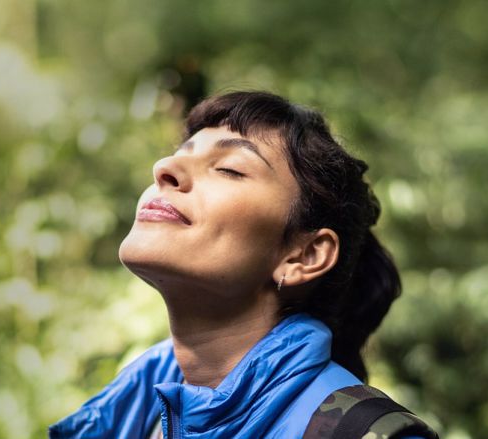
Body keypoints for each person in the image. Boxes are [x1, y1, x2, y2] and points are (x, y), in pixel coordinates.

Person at [49, 91, 437, 438]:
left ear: (305, 256)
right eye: (180, 154)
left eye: (229, 169)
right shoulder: (134, 414)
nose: (164, 168)